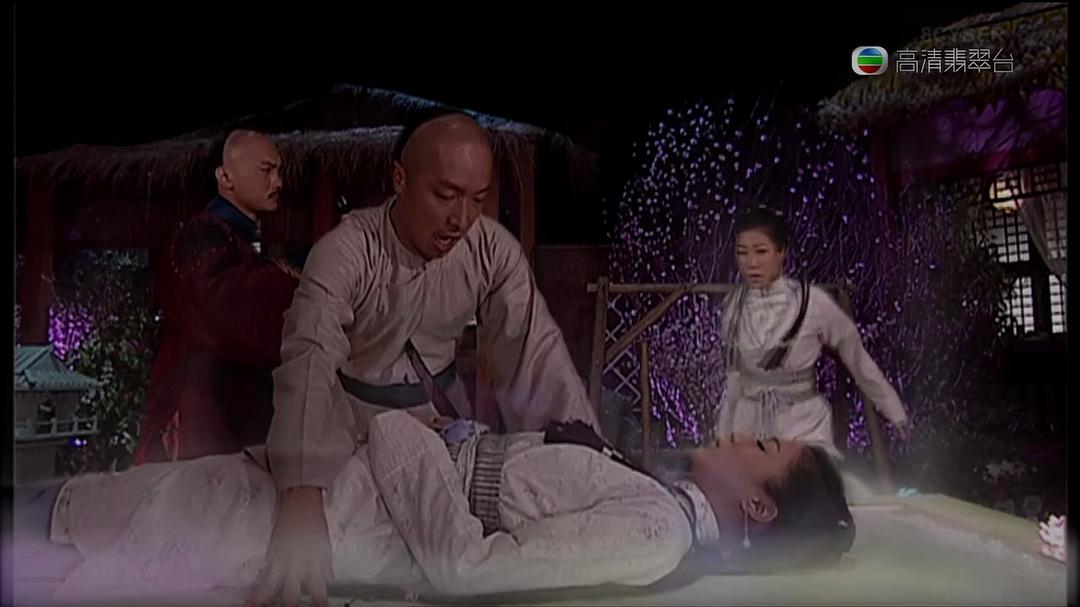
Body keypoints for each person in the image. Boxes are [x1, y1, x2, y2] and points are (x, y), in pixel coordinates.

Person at [254, 110, 601, 605]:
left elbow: (534, 352)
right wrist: (302, 489)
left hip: (440, 424)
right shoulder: (347, 251)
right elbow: (309, 357)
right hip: (347, 427)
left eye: (476, 199)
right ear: (401, 179)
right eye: (445, 195)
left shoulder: (490, 251)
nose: (461, 219)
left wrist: (583, 459)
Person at [14, 411, 854, 602]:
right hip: (331, 488)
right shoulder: (657, 507)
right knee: (84, 509)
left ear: (759, 505)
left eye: (764, 445)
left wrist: (402, 430)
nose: (742, 431)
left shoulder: (655, 531)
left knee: (71, 524)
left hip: (336, 517)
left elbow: (466, 564)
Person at [133, 130, 304, 465]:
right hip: (199, 417)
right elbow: (229, 312)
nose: (278, 181)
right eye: (266, 170)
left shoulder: (234, 242)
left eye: (278, 171)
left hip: (229, 420)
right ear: (225, 177)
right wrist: (301, 272)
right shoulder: (197, 238)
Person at [714, 206, 910, 454]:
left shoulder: (811, 302)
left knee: (811, 474)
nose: (751, 263)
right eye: (742, 253)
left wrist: (894, 410)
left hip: (803, 424)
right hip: (748, 426)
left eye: (761, 251)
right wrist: (722, 435)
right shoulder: (734, 306)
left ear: (781, 252)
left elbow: (856, 358)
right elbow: (734, 379)